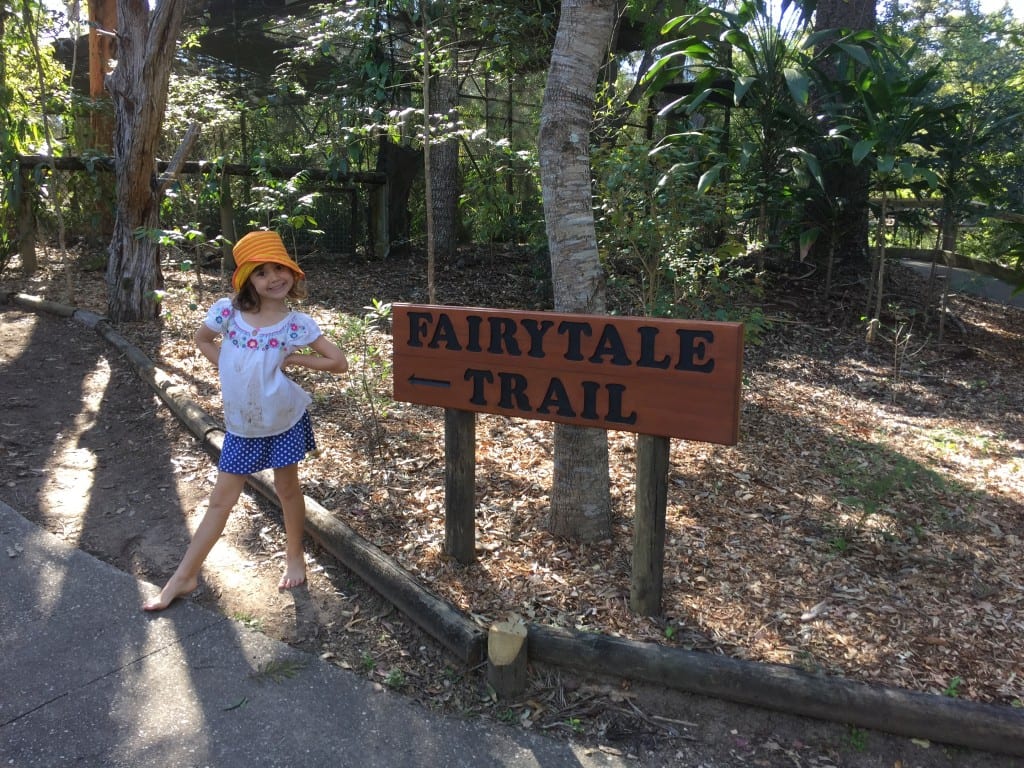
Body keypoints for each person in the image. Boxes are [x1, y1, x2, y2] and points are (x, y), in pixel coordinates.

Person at [143, 230, 348, 611]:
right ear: (247, 279)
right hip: (242, 427)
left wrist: (296, 360)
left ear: (291, 273)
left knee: (288, 490)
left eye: (279, 269)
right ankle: (184, 575)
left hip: (283, 419)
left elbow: (339, 362)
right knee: (221, 501)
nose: (273, 278)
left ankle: (294, 556)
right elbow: (202, 339)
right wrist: (230, 368)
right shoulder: (227, 312)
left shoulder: (295, 324)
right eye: (262, 272)